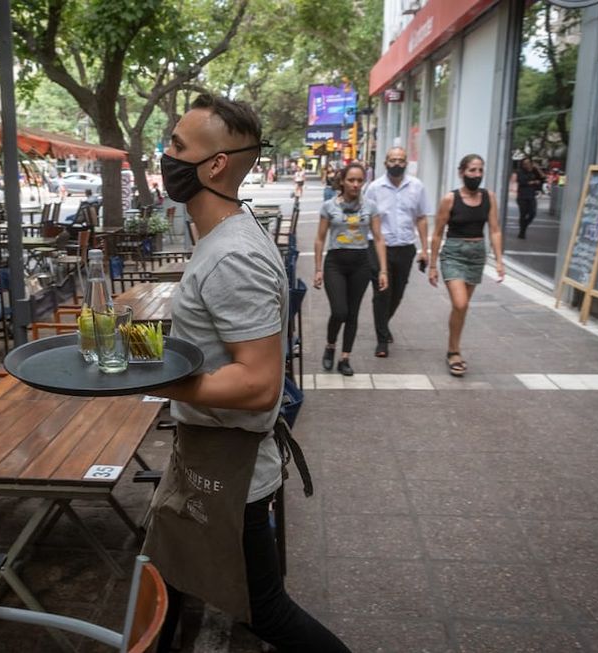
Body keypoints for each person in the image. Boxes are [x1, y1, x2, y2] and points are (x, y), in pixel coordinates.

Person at [147, 93, 350, 652]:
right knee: (168, 574)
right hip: (206, 453)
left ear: (214, 165)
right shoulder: (222, 237)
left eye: (177, 146)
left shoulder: (231, 254)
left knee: (268, 613)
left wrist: (150, 381)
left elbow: (260, 386)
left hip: (231, 468)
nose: (166, 154)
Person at [428, 154, 504, 376]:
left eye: (480, 171)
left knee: (460, 308)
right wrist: (433, 265)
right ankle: (454, 351)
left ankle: (453, 349)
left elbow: (495, 229)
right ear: (461, 172)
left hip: (476, 254)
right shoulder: (450, 199)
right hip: (453, 253)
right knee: (460, 304)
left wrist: (499, 261)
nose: (477, 175)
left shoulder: (489, 197)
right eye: (472, 170)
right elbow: (438, 233)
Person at [314, 163, 388, 376]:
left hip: (361, 263)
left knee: (353, 313)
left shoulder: (370, 207)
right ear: (343, 181)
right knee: (340, 311)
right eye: (351, 180)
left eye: (359, 181)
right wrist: (318, 269)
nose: (355, 185)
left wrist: (383, 270)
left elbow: (379, 238)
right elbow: (319, 239)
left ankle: (345, 358)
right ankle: (330, 346)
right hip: (335, 262)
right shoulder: (329, 206)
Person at [363, 146, 432, 357]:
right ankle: (382, 339)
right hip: (377, 247)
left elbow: (421, 217)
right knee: (382, 293)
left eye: (401, 160)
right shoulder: (374, 188)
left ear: (406, 163)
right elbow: (366, 218)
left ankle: (384, 323)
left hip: (405, 248)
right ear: (385, 163)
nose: (396, 163)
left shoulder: (417, 187)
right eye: (392, 160)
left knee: (398, 293)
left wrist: (425, 249)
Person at [514, 157, 544, 239]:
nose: (526, 165)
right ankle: (522, 232)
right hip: (522, 196)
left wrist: (538, 168)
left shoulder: (534, 171)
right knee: (523, 214)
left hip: (531, 196)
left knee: (532, 213)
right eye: (524, 163)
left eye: (528, 163)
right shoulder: (520, 172)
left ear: (531, 163)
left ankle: (524, 227)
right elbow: (522, 181)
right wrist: (533, 182)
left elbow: (543, 177)